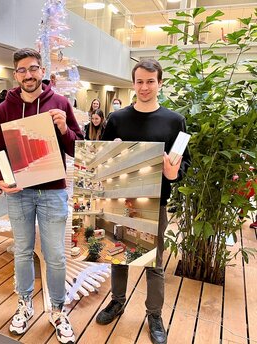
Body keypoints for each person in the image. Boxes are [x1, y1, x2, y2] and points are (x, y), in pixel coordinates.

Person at [0, 48, 83, 344]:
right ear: (15, 74)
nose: (28, 75)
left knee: (55, 255)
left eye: (33, 68)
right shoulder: (5, 108)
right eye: (22, 70)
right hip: (19, 193)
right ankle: (25, 304)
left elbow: (77, 148)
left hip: (52, 192)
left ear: (42, 71)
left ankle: (57, 309)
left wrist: (64, 128)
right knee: (22, 251)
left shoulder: (59, 102)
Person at [96, 58, 190, 344]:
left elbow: (183, 161)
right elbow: (101, 157)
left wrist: (174, 173)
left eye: (151, 81)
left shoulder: (175, 121)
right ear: (133, 83)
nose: (145, 87)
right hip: (119, 199)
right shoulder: (117, 119)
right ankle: (117, 301)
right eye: (140, 81)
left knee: (154, 263)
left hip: (155, 201)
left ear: (160, 83)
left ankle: (154, 314)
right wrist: (106, 154)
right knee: (118, 254)